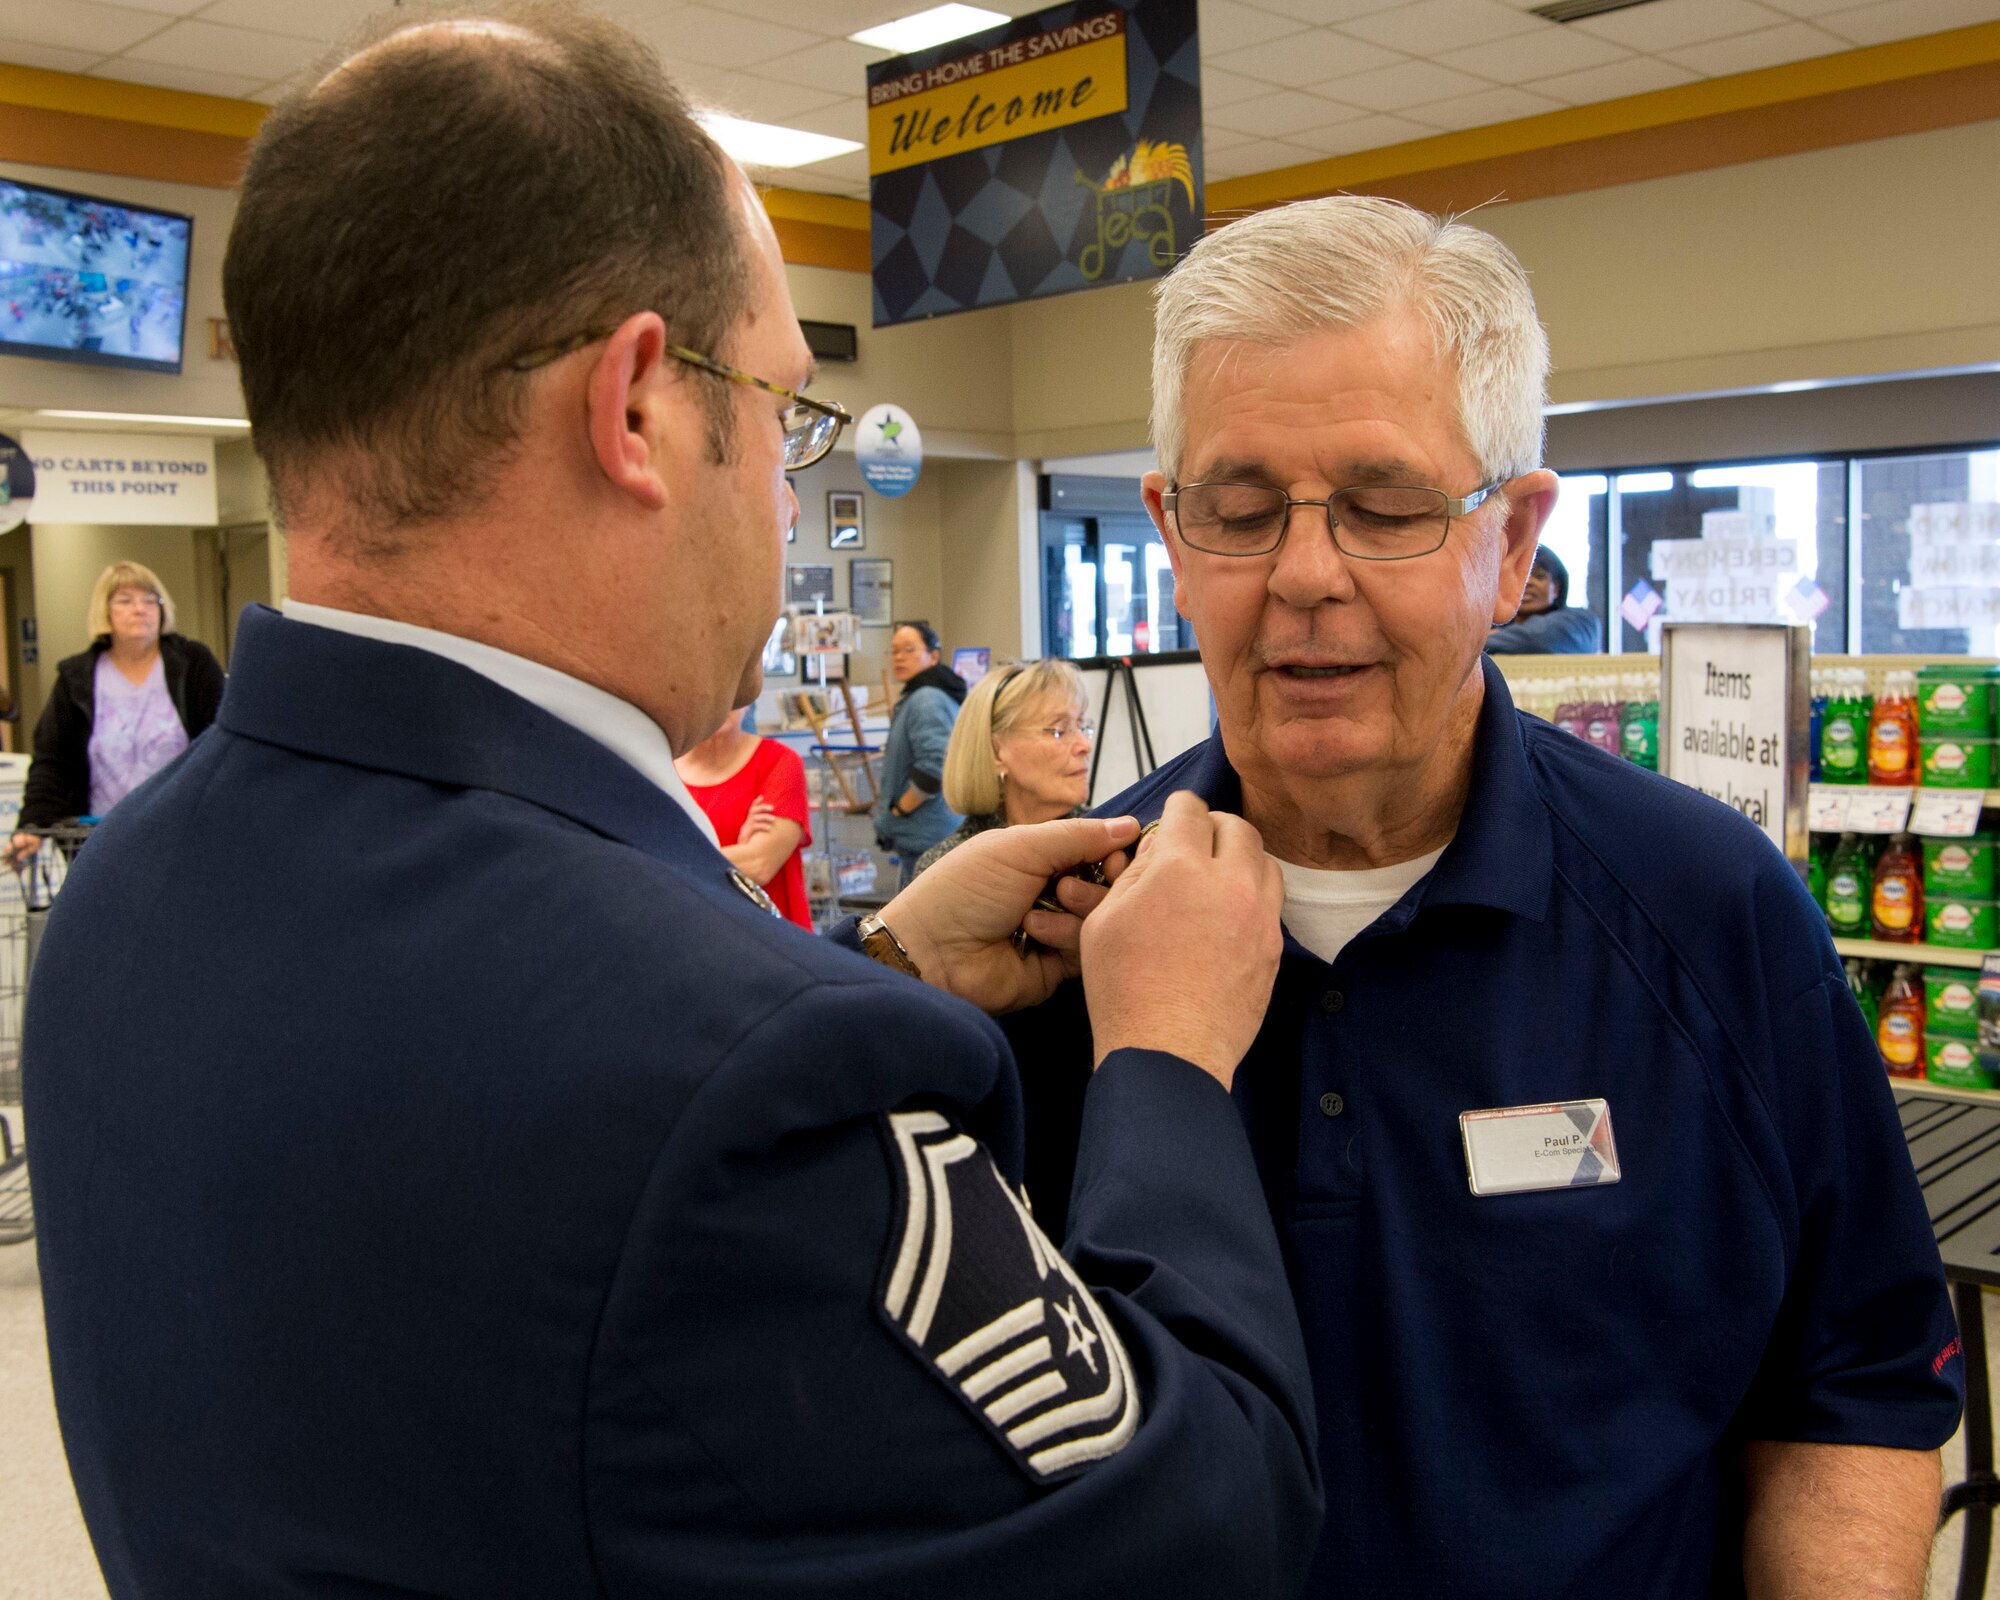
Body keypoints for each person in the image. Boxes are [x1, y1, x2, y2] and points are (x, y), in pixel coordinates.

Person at [24, 11, 1322, 1598]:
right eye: (783, 413)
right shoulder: (735, 1075)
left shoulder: (122, 903)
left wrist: (884, 964)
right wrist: (1171, 1063)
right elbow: (1212, 1527)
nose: (787, 497)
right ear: (638, 407)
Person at [1010, 195, 1963, 1599]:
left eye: (1387, 509)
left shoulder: (1713, 916)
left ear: (1514, 544)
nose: (1304, 576)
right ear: (1169, 530)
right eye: (1240, 508)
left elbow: (1851, 1387)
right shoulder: (1055, 939)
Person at [5, 560, 223, 866]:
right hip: (100, 838)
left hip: (180, 833)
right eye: (125, 601)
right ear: (105, 611)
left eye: (151, 600)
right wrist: (32, 825)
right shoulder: (77, 677)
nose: (140, 609)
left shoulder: (192, 664)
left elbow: (221, 740)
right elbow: (53, 760)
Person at [914, 657, 1095, 876]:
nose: (1085, 746)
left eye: (1081, 726)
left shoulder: (1111, 846)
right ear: (996, 751)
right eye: (1059, 730)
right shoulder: (945, 870)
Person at [674, 704, 814, 931]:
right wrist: (738, 851)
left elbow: (760, 864)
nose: (723, 700)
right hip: (699, 935)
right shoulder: (663, 772)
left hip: (777, 941)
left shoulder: (780, 762)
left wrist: (676, 860)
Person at [875, 619, 963, 883]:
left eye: (909, 649)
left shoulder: (927, 699)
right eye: (894, 651)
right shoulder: (923, 695)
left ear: (933, 655)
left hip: (927, 835)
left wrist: (900, 811)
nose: (899, 657)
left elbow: (935, 766)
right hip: (925, 834)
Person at [1485, 544, 1602, 653]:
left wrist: (1479, 641)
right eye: (1519, 576)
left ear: (1556, 588)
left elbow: (1542, 637)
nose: (1528, 582)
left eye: (1539, 576)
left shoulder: (1581, 622)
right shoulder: (1489, 625)